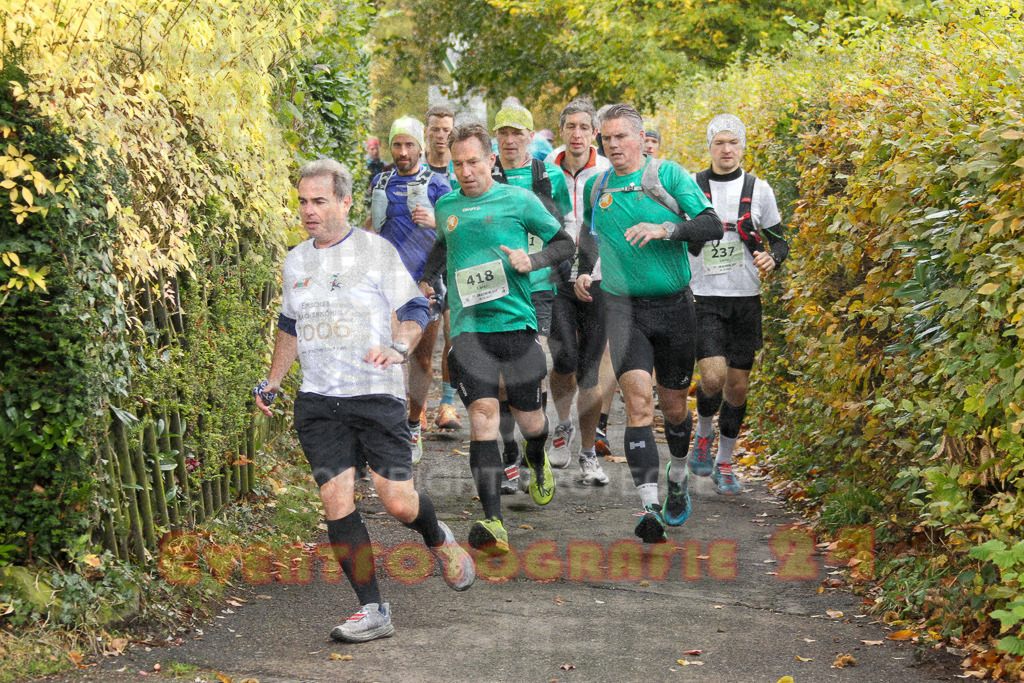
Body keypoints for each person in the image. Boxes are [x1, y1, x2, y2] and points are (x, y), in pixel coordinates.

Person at [253, 159, 475, 644]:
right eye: (303, 202)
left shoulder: (375, 253)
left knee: (397, 503)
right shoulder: (295, 261)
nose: (308, 211)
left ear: (346, 202)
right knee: (336, 499)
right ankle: (373, 609)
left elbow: (415, 307)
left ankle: (437, 537)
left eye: (319, 201)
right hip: (318, 401)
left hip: (375, 396)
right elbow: (290, 325)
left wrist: (398, 347)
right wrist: (272, 381)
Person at [418, 123, 575, 552]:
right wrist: (427, 279)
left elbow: (564, 243)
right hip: (469, 330)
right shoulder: (448, 204)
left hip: (516, 325)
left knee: (531, 423)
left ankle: (536, 455)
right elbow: (443, 243)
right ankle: (493, 523)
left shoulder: (519, 200)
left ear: (490, 161)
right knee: (483, 419)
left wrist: (533, 259)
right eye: (458, 164)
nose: (466, 171)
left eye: (473, 162)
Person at [575, 104, 724, 543]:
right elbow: (589, 233)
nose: (614, 145)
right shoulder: (598, 186)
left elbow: (712, 225)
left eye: (622, 137)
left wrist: (665, 230)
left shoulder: (669, 176)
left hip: (675, 307)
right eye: (607, 139)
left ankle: (677, 475)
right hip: (623, 309)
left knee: (674, 407)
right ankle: (649, 507)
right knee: (638, 402)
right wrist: (586, 269)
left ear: (641, 139)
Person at [687, 114, 789, 494]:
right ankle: (703, 432)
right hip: (703, 295)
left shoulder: (759, 189)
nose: (726, 150)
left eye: (733, 143)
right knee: (712, 377)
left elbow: (779, 241)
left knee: (738, 387)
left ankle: (725, 461)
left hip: (745, 298)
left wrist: (772, 258)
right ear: (710, 147)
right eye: (719, 143)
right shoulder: (691, 187)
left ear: (742, 147)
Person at [488, 104, 573, 482]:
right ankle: (510, 449)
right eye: (503, 132)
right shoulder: (483, 173)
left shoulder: (550, 175)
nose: (509, 140)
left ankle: (533, 442)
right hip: (495, 285)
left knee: (532, 366)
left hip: (537, 285)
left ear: (529, 136)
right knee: (503, 377)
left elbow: (564, 225)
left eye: (516, 133)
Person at [366, 116, 453, 464]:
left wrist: (434, 221)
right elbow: (372, 226)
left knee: (420, 359)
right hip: (386, 284)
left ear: (421, 147)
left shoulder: (439, 184)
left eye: (409, 145)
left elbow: (451, 233)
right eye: (397, 145)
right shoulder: (381, 181)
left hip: (426, 282)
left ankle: (414, 424)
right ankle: (390, 429)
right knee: (388, 356)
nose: (403, 152)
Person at [544, 98, 614, 486]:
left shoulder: (606, 172)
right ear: (562, 131)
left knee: (590, 368)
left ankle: (588, 454)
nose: (576, 134)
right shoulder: (545, 170)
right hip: (557, 278)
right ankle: (563, 423)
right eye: (570, 126)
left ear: (594, 133)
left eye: (584, 128)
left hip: (601, 278)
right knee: (564, 359)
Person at [422, 105, 462, 432]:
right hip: (421, 263)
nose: (441, 135)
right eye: (435, 129)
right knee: (420, 340)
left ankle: (447, 404)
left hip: (455, 262)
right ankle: (417, 404)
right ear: (426, 131)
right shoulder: (413, 170)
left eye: (446, 129)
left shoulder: (461, 171)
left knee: (453, 334)